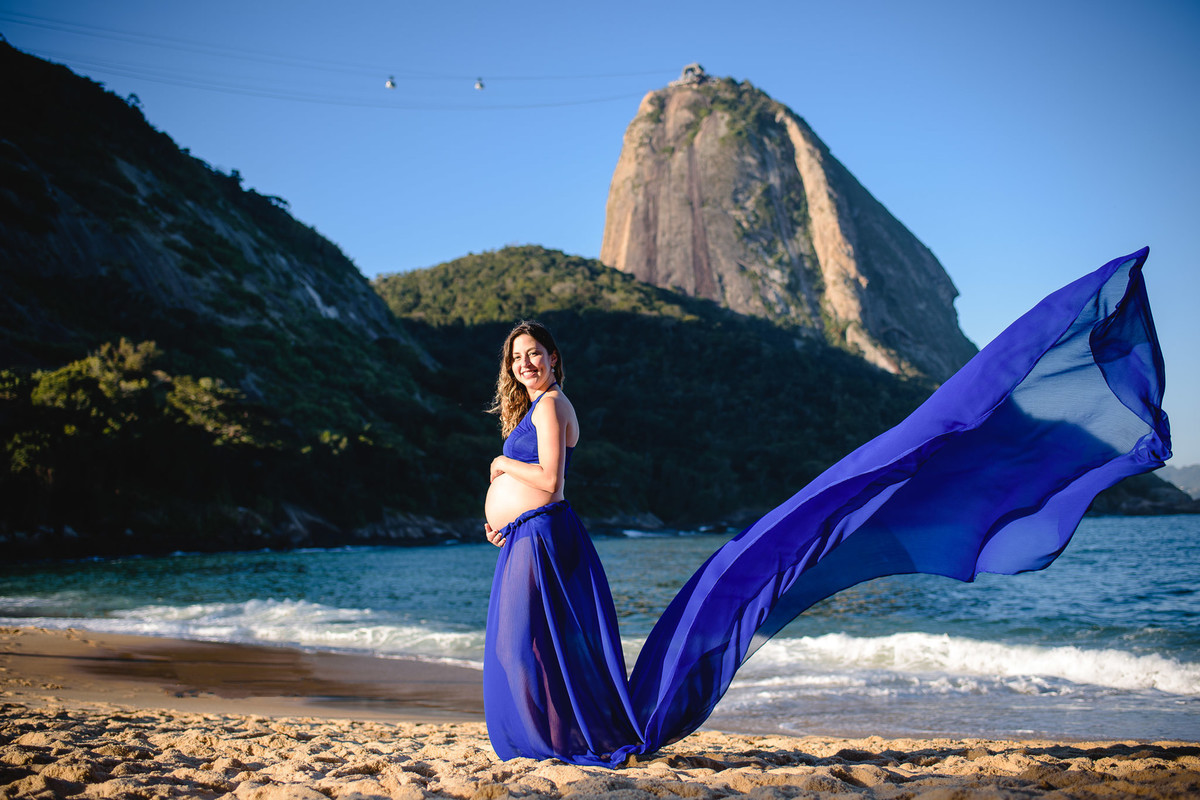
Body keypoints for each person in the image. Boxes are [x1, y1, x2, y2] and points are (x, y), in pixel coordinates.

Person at [481, 248, 1171, 768]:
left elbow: (549, 486)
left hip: (545, 534)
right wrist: (499, 515)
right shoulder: (540, 403)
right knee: (538, 648)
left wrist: (499, 469)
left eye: (535, 353)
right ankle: (556, 736)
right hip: (529, 537)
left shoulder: (549, 405)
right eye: (518, 358)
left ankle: (553, 739)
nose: (528, 364)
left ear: (554, 359)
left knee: (528, 646)